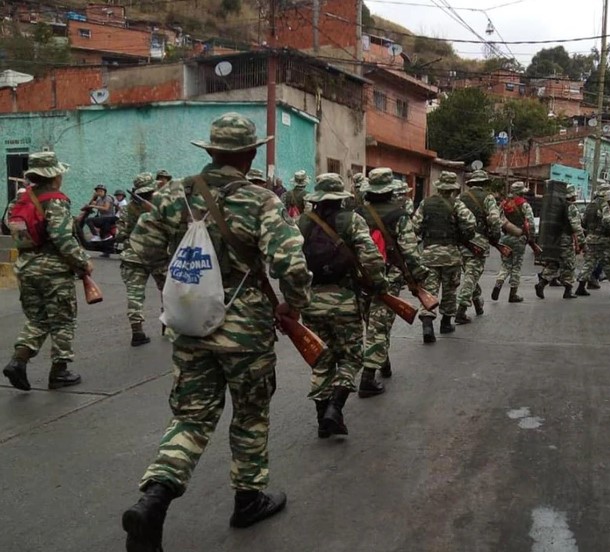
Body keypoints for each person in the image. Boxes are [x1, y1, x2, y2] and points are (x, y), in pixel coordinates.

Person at [122, 112, 312, 551]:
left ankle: (153, 502)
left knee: (190, 418)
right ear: (249, 154)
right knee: (249, 415)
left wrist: (180, 284)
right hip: (245, 333)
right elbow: (292, 266)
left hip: (190, 328)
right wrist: (293, 306)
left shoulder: (172, 195)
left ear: (210, 152)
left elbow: (138, 252)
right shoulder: (262, 201)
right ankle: (248, 501)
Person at [298, 173, 387, 436]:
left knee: (321, 359)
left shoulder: (301, 222)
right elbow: (371, 257)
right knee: (351, 357)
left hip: (311, 301)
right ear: (340, 198)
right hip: (345, 301)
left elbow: (289, 264)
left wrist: (296, 298)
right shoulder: (352, 220)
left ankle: (321, 419)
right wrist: (379, 285)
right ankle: (334, 409)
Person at [2, 152, 92, 391]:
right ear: (54, 175)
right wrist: (83, 262)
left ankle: (18, 362)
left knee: (38, 318)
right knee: (62, 320)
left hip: (26, 267)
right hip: (53, 271)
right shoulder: (56, 200)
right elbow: (62, 238)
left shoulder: (18, 201)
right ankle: (59, 371)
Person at [357, 168, 430, 386]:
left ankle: (383, 362)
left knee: (371, 322)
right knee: (379, 326)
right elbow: (410, 251)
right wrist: (419, 277)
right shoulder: (399, 216)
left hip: (360, 278)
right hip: (389, 278)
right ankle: (367, 378)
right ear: (390, 192)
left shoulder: (357, 214)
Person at [413, 171, 476, 342]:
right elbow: (470, 223)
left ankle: (427, 325)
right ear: (453, 188)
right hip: (451, 255)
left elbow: (415, 227)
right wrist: (464, 236)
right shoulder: (457, 205)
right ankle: (446, 323)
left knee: (429, 290)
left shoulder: (425, 203)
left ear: (439, 187)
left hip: (429, 255)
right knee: (449, 290)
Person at [117, 173, 166, 347]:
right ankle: (167, 326)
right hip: (157, 255)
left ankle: (137, 331)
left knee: (135, 295)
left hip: (133, 256)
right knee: (167, 292)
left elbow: (120, 235)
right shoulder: (160, 206)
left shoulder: (126, 209)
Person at [455, 170, 503, 323]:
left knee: (470, 273)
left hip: (462, 242)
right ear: (484, 184)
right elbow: (495, 219)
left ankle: (478, 305)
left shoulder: (460, 198)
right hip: (479, 242)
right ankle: (461, 309)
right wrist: (495, 236)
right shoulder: (488, 198)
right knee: (472, 275)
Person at [535, 184, 585, 300]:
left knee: (554, 263)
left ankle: (541, 283)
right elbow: (576, 226)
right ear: (572, 196)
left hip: (554, 239)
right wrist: (582, 241)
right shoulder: (570, 207)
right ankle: (568, 290)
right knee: (569, 265)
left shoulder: (557, 206)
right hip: (565, 240)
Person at [575, 183, 610, 297]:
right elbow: (608, 220)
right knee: (608, 263)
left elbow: (583, 222)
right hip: (603, 239)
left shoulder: (590, 205)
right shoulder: (604, 203)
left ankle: (581, 286)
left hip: (590, 238)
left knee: (589, 263)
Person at [492, 180, 535, 304]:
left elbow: (496, 218)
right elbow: (530, 223)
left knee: (505, 264)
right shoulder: (524, 205)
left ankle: (499, 282)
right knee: (516, 265)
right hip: (518, 238)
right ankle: (513, 294)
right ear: (521, 192)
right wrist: (530, 238)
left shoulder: (504, 203)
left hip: (505, 237)